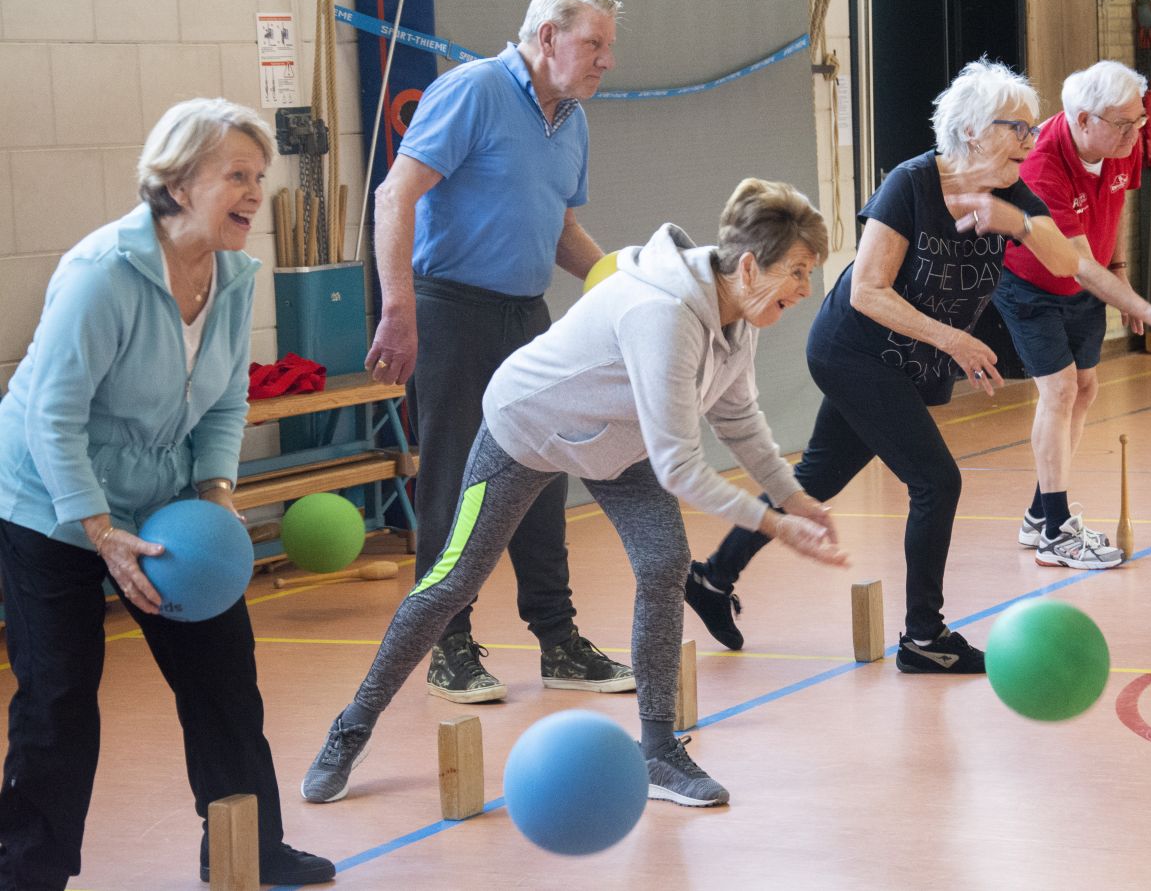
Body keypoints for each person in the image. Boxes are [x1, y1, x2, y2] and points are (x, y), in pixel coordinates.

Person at [303, 180, 846, 809]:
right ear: (750, 265)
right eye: (799, 272)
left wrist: (796, 499)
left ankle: (658, 752)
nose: (806, 290)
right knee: (453, 581)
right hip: (524, 429)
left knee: (664, 562)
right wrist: (775, 526)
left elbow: (739, 421)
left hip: (615, 443)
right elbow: (679, 465)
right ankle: (353, 725)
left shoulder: (738, 316)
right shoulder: (664, 315)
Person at [0, 99, 335, 889]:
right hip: (47, 502)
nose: (256, 193)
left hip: (164, 497)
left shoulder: (234, 274)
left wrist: (216, 490)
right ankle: (26, 870)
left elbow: (225, 401)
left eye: (260, 176)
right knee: (60, 694)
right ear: (179, 183)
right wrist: (99, 529)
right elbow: (54, 415)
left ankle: (250, 846)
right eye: (238, 176)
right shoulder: (101, 273)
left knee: (223, 675)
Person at [684, 60, 1078, 667]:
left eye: (1032, 130)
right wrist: (955, 340)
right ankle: (924, 637)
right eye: (1017, 129)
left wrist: (1018, 223)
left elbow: (1064, 263)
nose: (1030, 143)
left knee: (816, 476)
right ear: (973, 130)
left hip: (904, 362)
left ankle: (712, 578)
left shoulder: (1007, 192)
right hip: (854, 351)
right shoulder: (911, 185)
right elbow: (868, 290)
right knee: (936, 481)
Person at [365, 0, 634, 703]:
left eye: (610, 47)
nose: (607, 60)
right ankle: (446, 643)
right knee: (455, 477)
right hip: (450, 309)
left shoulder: (570, 118)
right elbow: (396, 195)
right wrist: (399, 309)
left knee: (540, 474)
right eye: (595, 44)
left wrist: (624, 284)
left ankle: (558, 640)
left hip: (525, 315)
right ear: (548, 37)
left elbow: (563, 231)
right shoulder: (475, 91)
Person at [995, 60, 1151, 568]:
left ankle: (1037, 513)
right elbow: (1078, 265)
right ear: (1084, 119)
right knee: (1061, 389)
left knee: (1085, 388)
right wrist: (1145, 310)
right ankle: (1056, 533)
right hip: (1030, 283)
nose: (1137, 132)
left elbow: (1113, 214)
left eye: (1139, 120)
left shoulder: (1119, 143)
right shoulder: (1042, 163)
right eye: (1125, 123)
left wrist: (1123, 271)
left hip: (1087, 279)